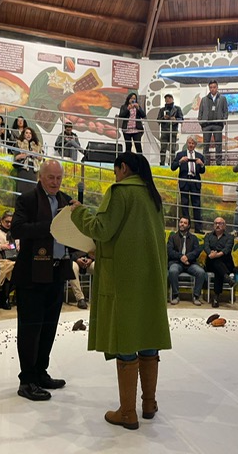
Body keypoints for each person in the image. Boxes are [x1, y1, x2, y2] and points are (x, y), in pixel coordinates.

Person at [71, 152, 171, 430]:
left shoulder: (119, 192)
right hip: (150, 277)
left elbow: (101, 229)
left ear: (123, 168)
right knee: (148, 336)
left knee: (126, 339)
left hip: (124, 276)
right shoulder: (153, 196)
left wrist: (78, 211)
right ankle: (148, 403)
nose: (115, 177)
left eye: (116, 171)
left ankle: (128, 412)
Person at [11, 160, 74, 402]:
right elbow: (17, 230)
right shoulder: (27, 199)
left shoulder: (65, 200)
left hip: (57, 272)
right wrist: (51, 226)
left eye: (59, 178)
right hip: (32, 276)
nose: (56, 182)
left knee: (49, 327)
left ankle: (40, 372)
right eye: (51, 178)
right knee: (30, 329)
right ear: (41, 177)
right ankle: (26, 380)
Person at [167, 216, 206, 305]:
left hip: (190, 263)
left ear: (188, 226)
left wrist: (187, 257)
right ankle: (175, 295)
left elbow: (196, 251)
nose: (182, 224)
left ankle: (196, 296)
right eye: (181, 222)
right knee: (173, 271)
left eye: (185, 223)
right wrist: (181, 257)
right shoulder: (173, 237)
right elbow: (170, 251)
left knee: (201, 272)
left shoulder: (194, 238)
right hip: (176, 262)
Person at [171, 136, 205, 233]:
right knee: (184, 205)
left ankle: (198, 229)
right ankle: (185, 228)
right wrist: (180, 162)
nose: (191, 145)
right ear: (187, 143)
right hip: (185, 182)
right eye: (189, 143)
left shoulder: (200, 156)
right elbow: (172, 167)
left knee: (197, 205)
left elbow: (202, 171)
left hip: (195, 182)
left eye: (192, 143)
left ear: (195, 145)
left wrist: (201, 164)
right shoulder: (180, 154)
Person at [203, 218, 235, 308]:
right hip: (210, 262)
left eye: (220, 223)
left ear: (224, 226)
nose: (217, 225)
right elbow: (206, 247)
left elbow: (227, 250)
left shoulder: (229, 237)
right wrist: (210, 254)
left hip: (226, 262)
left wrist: (216, 255)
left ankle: (216, 297)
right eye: (216, 223)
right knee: (216, 264)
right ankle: (226, 279)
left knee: (218, 267)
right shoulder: (208, 236)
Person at [197, 80, 228, 165]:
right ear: (209, 88)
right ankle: (206, 163)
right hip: (206, 125)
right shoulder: (204, 99)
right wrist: (201, 122)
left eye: (214, 87)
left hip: (218, 125)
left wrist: (223, 121)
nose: (212, 89)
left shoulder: (222, 98)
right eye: (211, 87)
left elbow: (225, 111)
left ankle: (218, 163)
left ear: (217, 87)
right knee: (206, 145)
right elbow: (200, 112)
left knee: (218, 145)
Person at [13, 127, 43, 195]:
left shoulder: (37, 145)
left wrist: (35, 154)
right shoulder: (19, 143)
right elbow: (16, 157)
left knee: (32, 191)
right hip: (23, 169)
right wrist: (27, 154)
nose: (28, 135)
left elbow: (41, 158)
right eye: (26, 133)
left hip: (33, 170)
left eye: (30, 133)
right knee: (22, 190)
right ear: (23, 134)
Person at [157, 93, 183, 166]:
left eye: (169, 98)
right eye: (166, 99)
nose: (167, 100)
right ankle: (162, 163)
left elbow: (181, 119)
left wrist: (176, 119)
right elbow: (158, 120)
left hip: (173, 131)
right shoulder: (162, 109)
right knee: (163, 148)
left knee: (172, 149)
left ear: (172, 99)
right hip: (164, 131)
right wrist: (163, 118)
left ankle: (171, 163)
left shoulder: (177, 109)